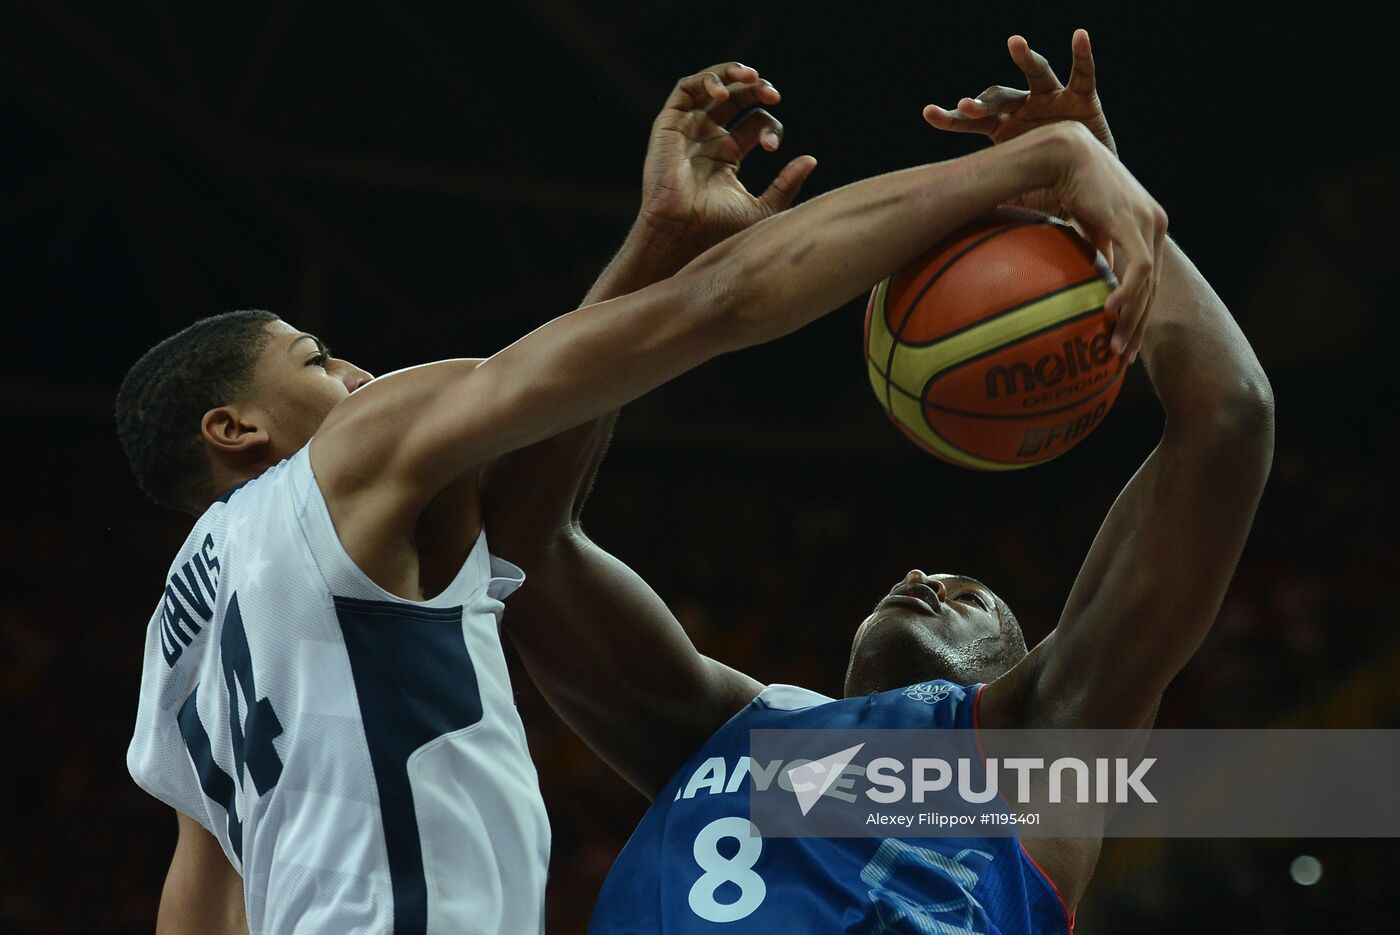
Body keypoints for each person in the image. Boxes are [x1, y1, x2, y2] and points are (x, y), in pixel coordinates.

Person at [117, 52, 1164, 935]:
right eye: (316, 360)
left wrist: (659, 239)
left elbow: (197, 907)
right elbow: (727, 305)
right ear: (235, 427)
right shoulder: (354, 454)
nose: (351, 378)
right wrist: (1044, 162)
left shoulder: (174, 661)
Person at [488, 31, 1270, 933]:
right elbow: (526, 547)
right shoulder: (729, 734)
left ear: (1021, 666)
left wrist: (1107, 197)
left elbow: (1230, 419)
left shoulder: (1032, 745)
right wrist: (659, 247)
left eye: (971, 593)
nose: (922, 576)